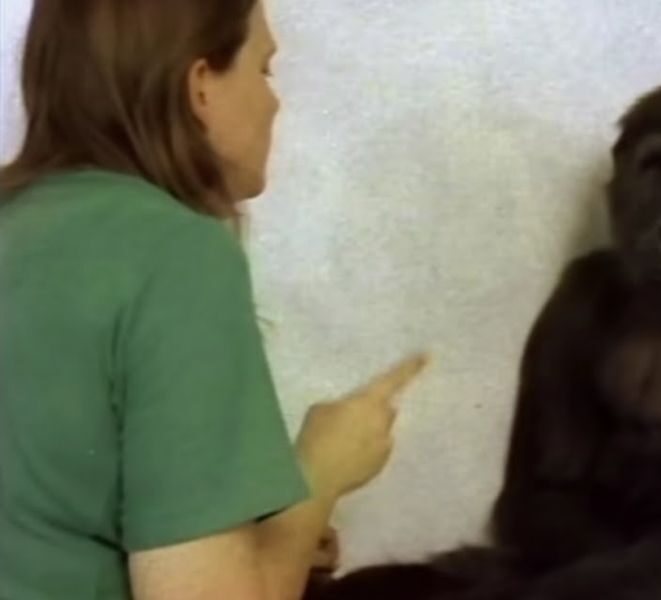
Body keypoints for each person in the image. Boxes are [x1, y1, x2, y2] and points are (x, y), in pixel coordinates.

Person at [0, 1, 427, 598]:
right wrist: (319, 473)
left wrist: (264, 539)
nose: (275, 101)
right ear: (201, 86)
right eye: (264, 69)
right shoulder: (173, 252)